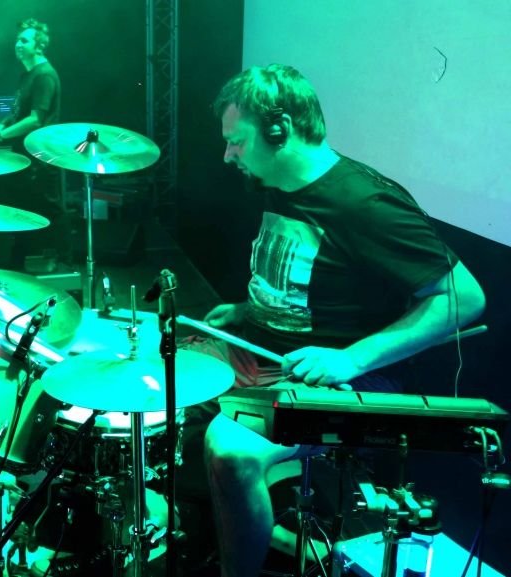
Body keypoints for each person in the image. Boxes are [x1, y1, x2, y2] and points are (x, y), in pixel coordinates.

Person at [199, 65, 486, 576]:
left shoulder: (364, 203)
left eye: (236, 141)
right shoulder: (280, 183)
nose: (228, 155)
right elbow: (304, 285)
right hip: (265, 353)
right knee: (149, 369)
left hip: (342, 379)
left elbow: (463, 297)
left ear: (279, 129)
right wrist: (246, 309)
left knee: (230, 450)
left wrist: (351, 358)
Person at [0, 18, 69, 270]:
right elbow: (17, 113)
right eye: (17, 40)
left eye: (24, 40)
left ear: (38, 45)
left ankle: (65, 262)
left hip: (41, 158)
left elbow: (34, 119)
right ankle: (18, 263)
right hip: (26, 156)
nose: (18, 44)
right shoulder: (28, 75)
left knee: (50, 210)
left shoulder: (44, 76)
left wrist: (1, 136)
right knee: (23, 208)